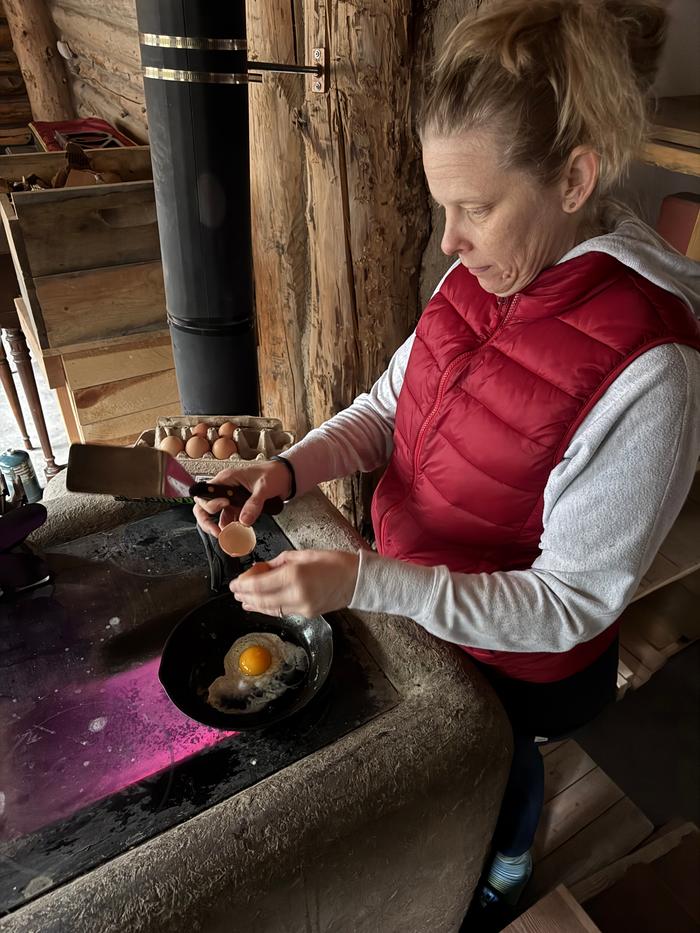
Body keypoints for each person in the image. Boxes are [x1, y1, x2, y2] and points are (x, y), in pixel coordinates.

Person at [195, 0, 700, 926]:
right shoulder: (481, 277)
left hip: (521, 667)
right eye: (443, 207)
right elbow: (386, 408)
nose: (448, 241)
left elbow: (570, 604)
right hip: (416, 612)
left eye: (475, 208)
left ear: (575, 178)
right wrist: (288, 469)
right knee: (440, 783)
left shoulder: (651, 373)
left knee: (498, 776)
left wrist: (366, 579)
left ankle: (506, 863)